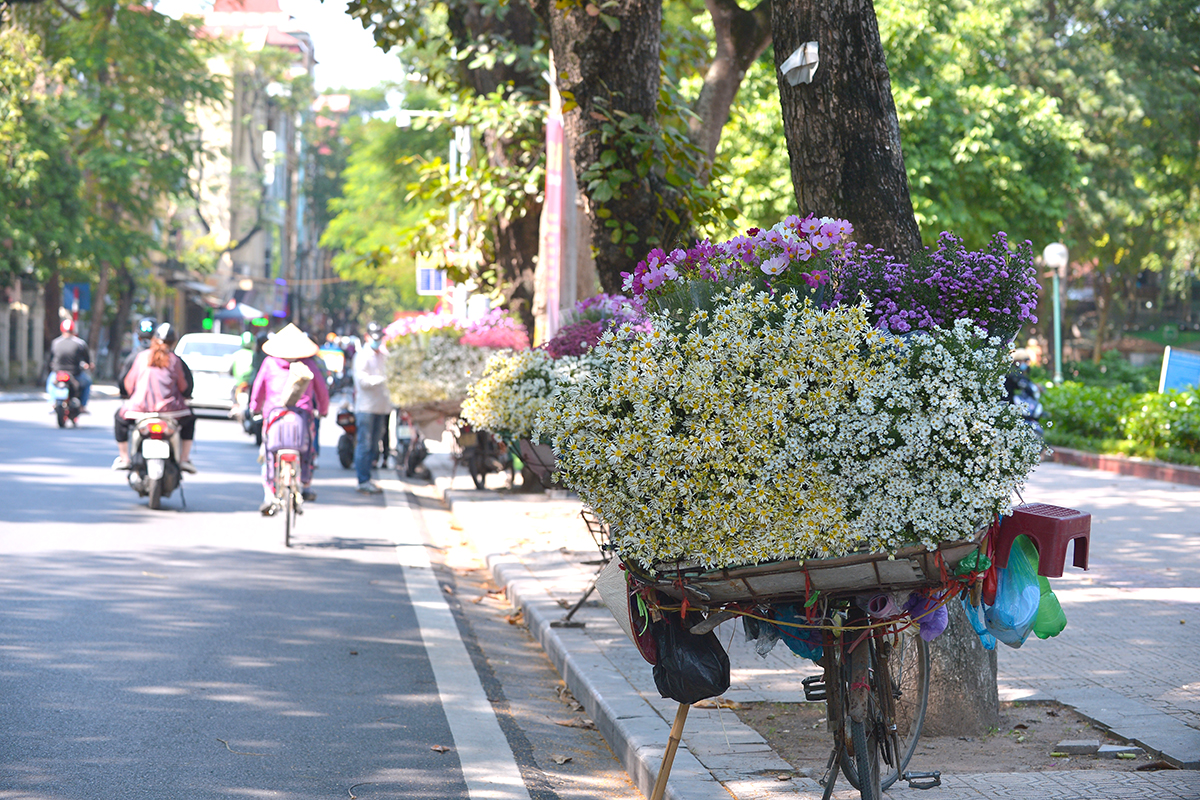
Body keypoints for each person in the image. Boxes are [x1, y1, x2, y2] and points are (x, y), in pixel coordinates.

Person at [250, 324, 329, 514]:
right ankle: (306, 484)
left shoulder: (269, 363)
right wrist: (324, 411)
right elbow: (322, 392)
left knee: (267, 454)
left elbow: (258, 390)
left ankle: (269, 495)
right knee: (308, 450)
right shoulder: (309, 365)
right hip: (302, 416)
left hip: (273, 416)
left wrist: (254, 409)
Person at [114, 323, 197, 472]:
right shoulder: (175, 360)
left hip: (138, 410)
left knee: (119, 418)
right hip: (172, 411)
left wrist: (129, 395)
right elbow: (185, 387)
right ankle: (184, 459)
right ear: (174, 342)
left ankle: (124, 458)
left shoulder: (140, 357)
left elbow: (128, 384)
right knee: (190, 419)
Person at [352, 321, 390, 494]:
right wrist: (381, 380)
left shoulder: (384, 356)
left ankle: (368, 478)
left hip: (381, 408)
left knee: (374, 446)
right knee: (364, 445)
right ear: (367, 337)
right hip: (366, 408)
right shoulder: (361, 356)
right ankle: (363, 480)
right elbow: (362, 381)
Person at [45, 318, 93, 413]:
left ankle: (52, 403)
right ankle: (83, 406)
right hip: (75, 374)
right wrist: (89, 366)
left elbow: (50, 359)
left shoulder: (55, 343)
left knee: (50, 382)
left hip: (58, 373)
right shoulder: (80, 343)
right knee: (87, 382)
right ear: (73, 330)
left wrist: (51, 369)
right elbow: (87, 360)